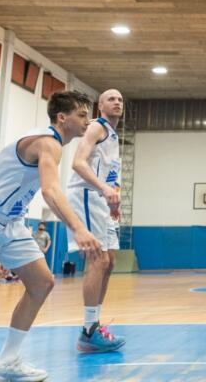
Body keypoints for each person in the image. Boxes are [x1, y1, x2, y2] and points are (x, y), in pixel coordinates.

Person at [0, 91, 101, 381]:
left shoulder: (52, 144)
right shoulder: (48, 142)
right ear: (62, 117)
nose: (87, 120)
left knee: (42, 282)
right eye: (81, 115)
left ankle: (6, 363)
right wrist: (78, 228)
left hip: (10, 223)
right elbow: (50, 191)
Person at [66, 88, 126, 353]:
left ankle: (95, 325)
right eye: (111, 99)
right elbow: (78, 163)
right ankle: (89, 330)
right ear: (99, 106)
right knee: (98, 259)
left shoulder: (112, 136)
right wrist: (104, 190)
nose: (117, 102)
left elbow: (108, 173)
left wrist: (114, 198)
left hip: (100, 199)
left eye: (120, 99)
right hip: (86, 195)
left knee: (110, 262)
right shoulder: (96, 128)